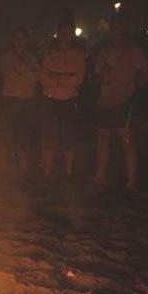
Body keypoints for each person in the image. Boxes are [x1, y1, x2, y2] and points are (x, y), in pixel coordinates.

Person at [92, 14, 148, 191]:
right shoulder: (104, 51)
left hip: (125, 101)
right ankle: (101, 175)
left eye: (119, 27)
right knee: (103, 139)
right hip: (105, 101)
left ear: (125, 29)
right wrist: (103, 73)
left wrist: (135, 87)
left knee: (127, 142)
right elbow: (97, 76)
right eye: (113, 28)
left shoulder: (134, 51)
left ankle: (131, 180)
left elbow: (146, 75)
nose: (116, 31)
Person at [39, 9, 86, 178]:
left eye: (68, 32)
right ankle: (48, 171)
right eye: (62, 32)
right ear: (58, 33)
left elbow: (79, 78)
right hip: (50, 99)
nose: (64, 36)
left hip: (69, 101)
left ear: (72, 33)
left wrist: (56, 77)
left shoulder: (79, 54)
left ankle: (68, 173)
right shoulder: (49, 53)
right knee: (49, 136)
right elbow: (43, 77)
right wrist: (66, 77)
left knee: (68, 137)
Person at [0, 27, 40, 175]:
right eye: (17, 39)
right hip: (10, 100)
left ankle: (23, 171)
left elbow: (37, 77)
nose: (19, 42)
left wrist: (22, 70)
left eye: (22, 39)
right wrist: (27, 72)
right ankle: (3, 171)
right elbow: (9, 75)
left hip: (27, 101)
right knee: (6, 135)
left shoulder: (32, 58)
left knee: (24, 136)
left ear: (27, 41)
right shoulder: (6, 57)